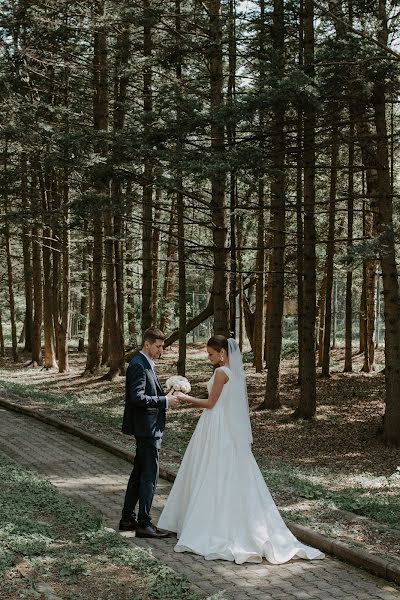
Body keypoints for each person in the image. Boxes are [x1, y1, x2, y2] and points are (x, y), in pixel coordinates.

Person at [157, 335, 325, 564]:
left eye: (210, 353)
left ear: (222, 353)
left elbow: (210, 403)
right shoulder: (233, 374)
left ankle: (207, 526)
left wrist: (184, 397)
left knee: (211, 472)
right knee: (220, 472)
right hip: (222, 427)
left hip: (216, 426)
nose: (208, 357)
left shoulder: (221, 373)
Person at [119, 327, 179, 538]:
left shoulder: (145, 364)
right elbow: (136, 397)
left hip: (147, 427)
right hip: (147, 429)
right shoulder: (138, 365)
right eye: (159, 346)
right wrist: (164, 401)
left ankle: (127, 518)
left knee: (138, 474)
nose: (162, 350)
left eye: (162, 346)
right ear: (147, 344)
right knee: (149, 476)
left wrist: (167, 397)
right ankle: (144, 523)